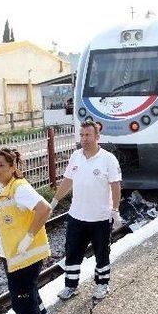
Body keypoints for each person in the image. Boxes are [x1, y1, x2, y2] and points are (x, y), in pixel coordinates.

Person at [0, 148, 53, 314]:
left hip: (24, 257)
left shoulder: (19, 188)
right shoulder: (6, 189)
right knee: (31, 296)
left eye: (0, 165)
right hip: (15, 256)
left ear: (13, 167)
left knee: (23, 303)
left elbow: (44, 209)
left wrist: (28, 237)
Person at [51, 120, 122, 301]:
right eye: (82, 135)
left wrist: (115, 210)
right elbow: (67, 181)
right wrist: (54, 202)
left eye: (88, 135)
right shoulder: (75, 156)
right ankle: (71, 286)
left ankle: (102, 284)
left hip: (100, 218)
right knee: (72, 253)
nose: (84, 139)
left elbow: (115, 185)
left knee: (101, 253)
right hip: (76, 217)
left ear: (97, 137)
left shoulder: (108, 159)